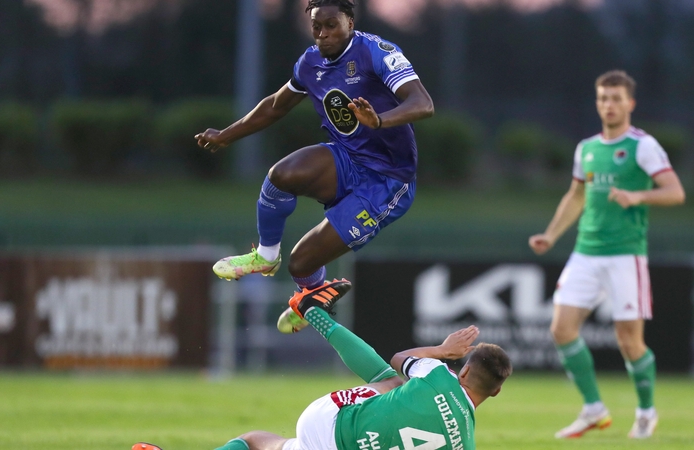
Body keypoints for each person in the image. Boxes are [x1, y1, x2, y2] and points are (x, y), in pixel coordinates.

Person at [194, 0, 434, 318]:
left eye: (331, 25)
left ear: (350, 22)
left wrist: (379, 120)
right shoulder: (310, 63)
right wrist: (227, 134)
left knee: (301, 263)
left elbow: (423, 103)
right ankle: (266, 257)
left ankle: (312, 298)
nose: (322, 34)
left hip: (387, 180)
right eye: (316, 27)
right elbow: (275, 106)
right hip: (347, 158)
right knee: (282, 174)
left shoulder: (378, 52)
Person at [133, 279, 512, 450]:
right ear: (495, 391)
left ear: (462, 370)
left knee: (393, 380)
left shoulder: (439, 375)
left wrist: (443, 349)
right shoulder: (468, 443)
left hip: (329, 423)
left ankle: (313, 311)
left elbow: (400, 361)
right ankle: (312, 310)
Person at [528, 70, 686, 439]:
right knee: (561, 329)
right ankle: (593, 408)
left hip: (625, 256)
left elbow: (675, 191)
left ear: (630, 103)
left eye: (616, 98)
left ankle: (646, 412)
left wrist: (639, 196)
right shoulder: (587, 148)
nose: (608, 105)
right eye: (603, 98)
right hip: (586, 252)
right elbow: (577, 195)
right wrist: (551, 236)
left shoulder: (642, 146)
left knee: (629, 341)